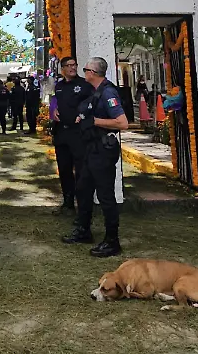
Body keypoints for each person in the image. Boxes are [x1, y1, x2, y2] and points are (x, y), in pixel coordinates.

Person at [63, 57, 128, 257]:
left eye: (85, 69)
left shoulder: (108, 92)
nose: (83, 72)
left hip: (103, 149)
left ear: (93, 72)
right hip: (91, 148)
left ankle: (112, 241)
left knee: (105, 195)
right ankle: (84, 230)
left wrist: (95, 121)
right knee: (83, 189)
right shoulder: (96, 92)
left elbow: (122, 123)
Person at [52, 57, 93, 214]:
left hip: (77, 133)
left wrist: (83, 115)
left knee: (81, 169)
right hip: (62, 132)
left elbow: (91, 104)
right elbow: (56, 101)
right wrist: (54, 110)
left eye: (74, 65)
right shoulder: (59, 86)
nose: (72, 68)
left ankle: (83, 204)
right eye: (68, 66)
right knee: (64, 169)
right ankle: (67, 202)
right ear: (62, 69)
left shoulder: (84, 85)